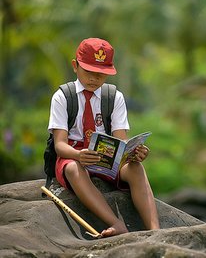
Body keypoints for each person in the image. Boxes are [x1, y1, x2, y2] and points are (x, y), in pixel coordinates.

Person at [47, 37, 160, 237]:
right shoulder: (63, 97)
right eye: (88, 72)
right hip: (74, 154)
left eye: (101, 74)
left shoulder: (113, 97)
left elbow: (121, 139)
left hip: (105, 154)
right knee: (73, 169)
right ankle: (116, 223)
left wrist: (133, 152)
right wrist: (78, 155)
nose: (94, 79)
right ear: (75, 66)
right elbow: (59, 145)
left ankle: (155, 230)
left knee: (136, 168)